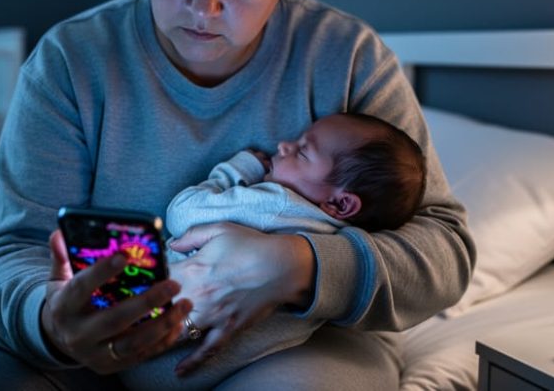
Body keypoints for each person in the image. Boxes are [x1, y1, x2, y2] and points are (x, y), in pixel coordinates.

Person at [0, 0, 474, 389]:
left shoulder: (346, 58)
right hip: (94, 358)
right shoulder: (71, 62)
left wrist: (297, 264)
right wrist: (51, 321)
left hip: (282, 353)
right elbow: (17, 247)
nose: (201, 5)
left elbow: (443, 250)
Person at [120, 112, 427, 389]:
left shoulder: (277, 204)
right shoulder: (337, 241)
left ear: (340, 203)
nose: (284, 146)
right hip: (218, 371)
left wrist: (239, 169)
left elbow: (183, 214)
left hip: (148, 347)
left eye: (303, 151)